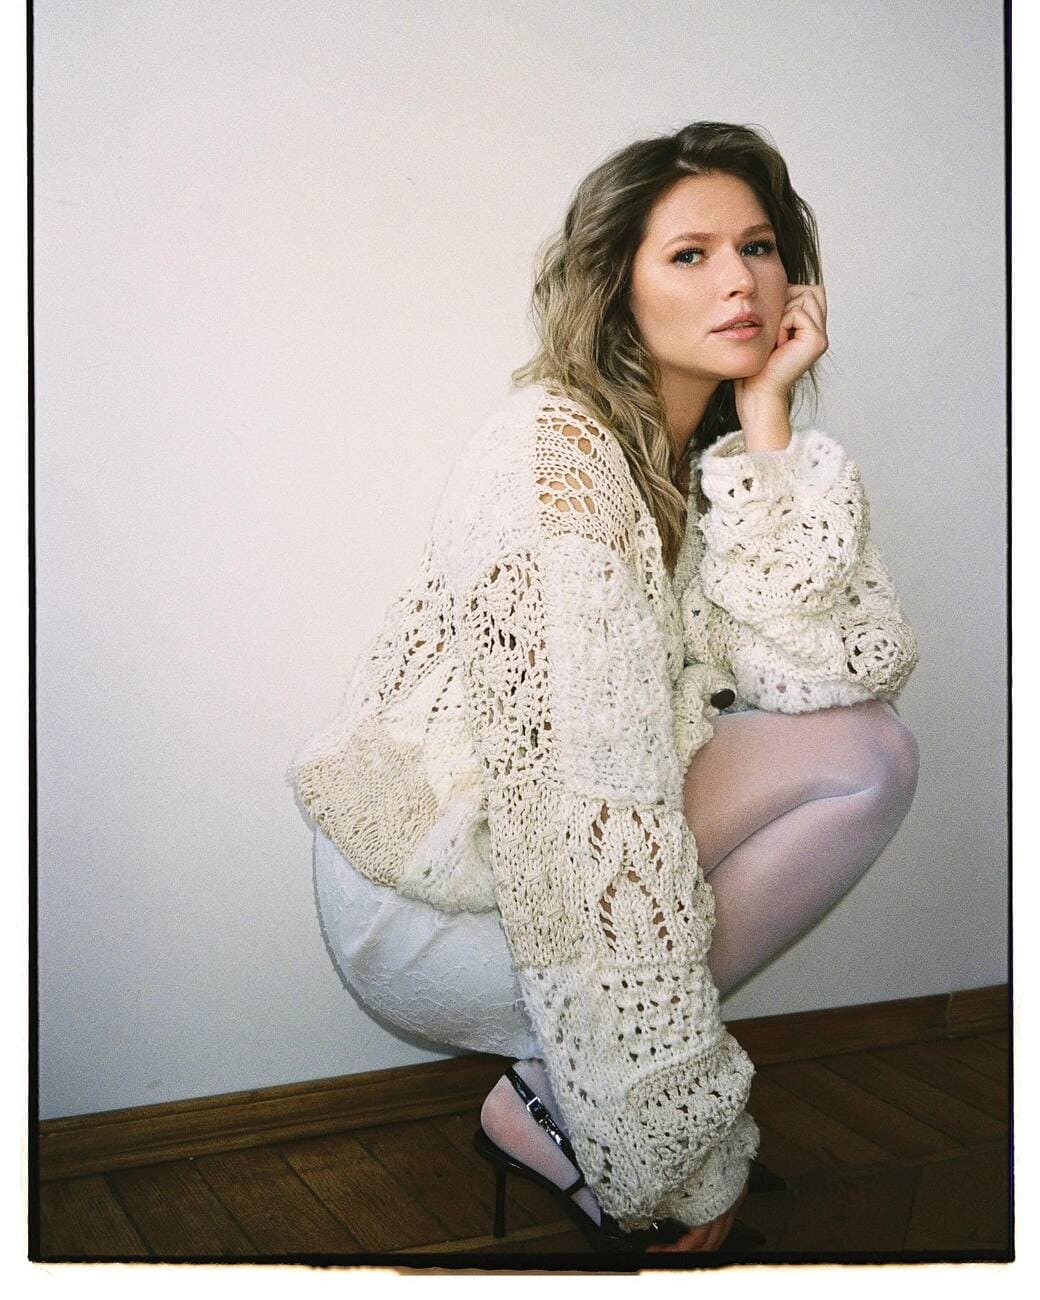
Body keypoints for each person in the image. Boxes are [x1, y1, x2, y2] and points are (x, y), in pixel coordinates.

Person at [291, 121, 920, 1255]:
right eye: (689, 254)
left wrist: (767, 426)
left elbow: (815, 674)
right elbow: (580, 835)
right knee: (856, 758)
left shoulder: (694, 456)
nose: (739, 280)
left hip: (531, 863)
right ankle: (575, 1102)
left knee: (863, 748)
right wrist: (676, 1151)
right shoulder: (555, 470)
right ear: (615, 287)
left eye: (759, 246)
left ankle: (547, 1089)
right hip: (429, 904)